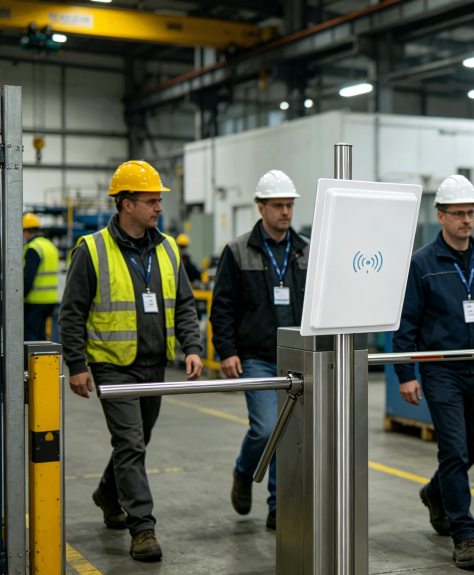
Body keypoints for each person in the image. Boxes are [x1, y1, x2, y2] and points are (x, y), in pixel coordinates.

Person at [60, 160, 204, 562]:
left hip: (154, 364)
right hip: (112, 364)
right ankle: (142, 528)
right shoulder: (91, 250)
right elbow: (71, 312)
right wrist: (76, 364)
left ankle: (108, 494)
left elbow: (185, 304)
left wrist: (192, 346)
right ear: (126, 204)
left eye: (159, 200)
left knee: (138, 442)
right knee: (130, 442)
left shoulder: (168, 248)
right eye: (151, 200)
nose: (159, 207)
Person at [393, 174, 474, 570]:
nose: (466, 220)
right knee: (453, 449)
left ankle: (435, 492)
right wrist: (406, 373)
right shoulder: (422, 264)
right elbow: (406, 322)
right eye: (458, 213)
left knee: (473, 447)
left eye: (470, 213)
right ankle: (464, 536)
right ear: (440, 216)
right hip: (441, 371)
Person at [210, 169, 308, 530]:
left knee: (288, 432)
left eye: (289, 205)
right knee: (266, 429)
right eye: (278, 205)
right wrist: (226, 351)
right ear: (261, 207)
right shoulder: (237, 251)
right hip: (256, 356)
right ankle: (243, 471)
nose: (285, 212)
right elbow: (222, 307)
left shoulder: (306, 251)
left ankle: (277, 505)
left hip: (297, 356)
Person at [22, 213, 59, 340]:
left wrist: (20, 297)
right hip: (51, 300)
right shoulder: (50, 246)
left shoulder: (33, 248)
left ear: (26, 231)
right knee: (41, 336)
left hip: (35, 301)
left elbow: (28, 277)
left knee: (30, 336)